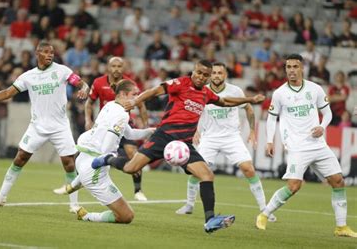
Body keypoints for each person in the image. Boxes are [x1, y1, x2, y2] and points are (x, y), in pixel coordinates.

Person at [92, 60, 265, 233]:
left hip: (184, 144)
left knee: (207, 175)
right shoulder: (180, 83)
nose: (201, 77)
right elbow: (155, 91)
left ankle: (210, 219)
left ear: (209, 77)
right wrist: (135, 101)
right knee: (131, 168)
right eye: (199, 73)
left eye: (205, 75)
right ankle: (107, 159)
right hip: (163, 135)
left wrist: (250, 99)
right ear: (193, 71)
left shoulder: (205, 93)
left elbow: (225, 101)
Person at [0, 40, 89, 213]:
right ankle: (1, 197)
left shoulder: (62, 71)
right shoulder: (28, 76)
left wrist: (85, 87)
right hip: (37, 126)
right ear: (37, 54)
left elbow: (80, 82)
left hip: (60, 126)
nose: (50, 55)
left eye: (52, 52)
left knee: (69, 163)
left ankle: (74, 205)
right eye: (46, 52)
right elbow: (8, 93)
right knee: (20, 158)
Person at [256, 54, 357, 238]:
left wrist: (322, 127)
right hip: (297, 146)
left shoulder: (315, 89)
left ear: (302, 68)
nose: (292, 70)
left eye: (295, 66)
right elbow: (272, 118)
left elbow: (327, 114)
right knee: (294, 186)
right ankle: (264, 214)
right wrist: (269, 140)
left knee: (338, 181)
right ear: (285, 69)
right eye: (288, 67)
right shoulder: (280, 93)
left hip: (318, 144)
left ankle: (341, 227)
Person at [175, 62, 276, 222]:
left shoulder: (235, 91)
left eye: (219, 73)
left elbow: (248, 108)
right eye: (214, 73)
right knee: (197, 170)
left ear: (225, 75)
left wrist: (251, 130)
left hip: (231, 137)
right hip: (210, 137)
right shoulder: (203, 90)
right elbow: (195, 110)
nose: (216, 75)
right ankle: (189, 205)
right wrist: (197, 130)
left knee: (248, 169)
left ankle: (265, 209)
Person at [66, 80, 155, 223]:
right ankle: (86, 216)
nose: (137, 98)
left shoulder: (110, 106)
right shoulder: (122, 115)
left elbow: (130, 134)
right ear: (124, 94)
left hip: (83, 158)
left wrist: (150, 131)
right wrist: (116, 160)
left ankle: (77, 181)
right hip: (94, 167)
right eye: (135, 94)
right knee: (126, 216)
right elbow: (105, 150)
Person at [77, 56, 149, 201]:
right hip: (105, 127)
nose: (116, 69)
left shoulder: (129, 84)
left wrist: (144, 123)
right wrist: (88, 120)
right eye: (114, 66)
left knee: (133, 153)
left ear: (124, 68)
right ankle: (80, 180)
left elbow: (141, 104)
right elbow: (89, 103)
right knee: (95, 153)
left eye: (119, 66)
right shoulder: (98, 82)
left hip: (123, 124)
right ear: (108, 68)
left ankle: (138, 190)